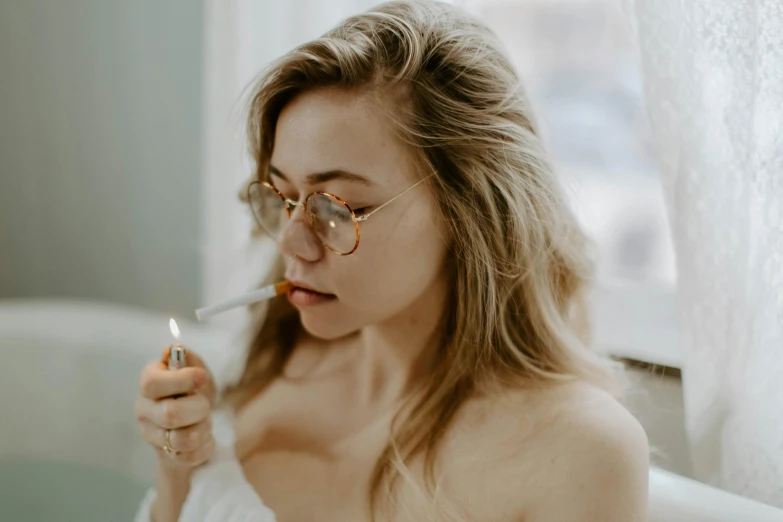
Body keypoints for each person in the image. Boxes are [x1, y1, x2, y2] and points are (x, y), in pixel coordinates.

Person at [133, 1, 649, 521]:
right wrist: (181, 463)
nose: (291, 243)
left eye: (340, 207)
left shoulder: (579, 453)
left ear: (469, 208)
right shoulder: (279, 354)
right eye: (284, 197)